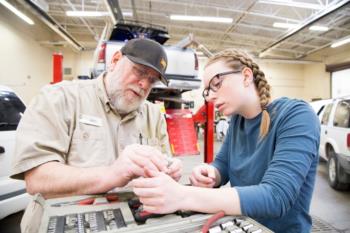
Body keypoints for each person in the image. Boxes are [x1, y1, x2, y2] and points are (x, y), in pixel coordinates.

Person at [131, 49, 320, 233]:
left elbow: (276, 196)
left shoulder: (296, 115)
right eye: (207, 91)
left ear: (246, 76)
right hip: (242, 223)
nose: (211, 96)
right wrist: (211, 172)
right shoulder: (238, 120)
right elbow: (224, 164)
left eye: (217, 83)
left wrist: (183, 195)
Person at [11, 38, 182, 233]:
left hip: (132, 223)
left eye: (152, 80)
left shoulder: (153, 117)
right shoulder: (59, 99)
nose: (144, 84)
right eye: (140, 71)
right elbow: (37, 179)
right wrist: (113, 174)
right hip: (63, 222)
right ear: (115, 61)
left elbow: (161, 177)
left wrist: (168, 173)